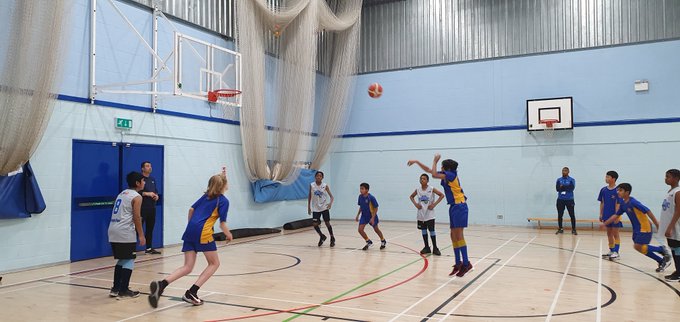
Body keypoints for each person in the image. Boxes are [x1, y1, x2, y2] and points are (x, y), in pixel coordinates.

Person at [148, 173, 233, 308]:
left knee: (187, 267)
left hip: (190, 231)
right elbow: (222, 224)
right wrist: (229, 235)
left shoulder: (206, 197)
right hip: (203, 233)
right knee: (214, 263)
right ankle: (192, 292)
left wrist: (191, 226)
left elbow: (191, 209)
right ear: (223, 186)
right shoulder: (223, 201)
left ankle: (162, 284)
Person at [408, 154, 472, 277]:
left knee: (459, 235)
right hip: (454, 206)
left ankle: (466, 263)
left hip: (460, 206)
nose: (439, 167)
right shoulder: (446, 174)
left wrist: (434, 160)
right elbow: (429, 171)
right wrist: (416, 161)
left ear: (445, 168)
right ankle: (458, 263)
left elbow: (433, 175)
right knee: (453, 236)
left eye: (441, 166)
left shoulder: (451, 175)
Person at [600, 183, 671, 272]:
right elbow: (616, 215)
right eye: (618, 190)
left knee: (638, 246)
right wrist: (605, 223)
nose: (618, 192)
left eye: (620, 190)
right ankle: (661, 260)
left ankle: (662, 249)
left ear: (627, 192)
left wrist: (656, 224)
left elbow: (648, 211)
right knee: (639, 247)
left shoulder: (633, 202)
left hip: (645, 227)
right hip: (637, 228)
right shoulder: (623, 203)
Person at [108, 171, 146, 298]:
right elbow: (136, 217)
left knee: (122, 259)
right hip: (125, 231)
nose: (144, 182)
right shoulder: (137, 197)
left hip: (113, 229)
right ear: (137, 183)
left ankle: (115, 288)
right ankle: (124, 290)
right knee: (129, 259)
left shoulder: (122, 193)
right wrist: (141, 235)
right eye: (143, 180)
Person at [409, 173, 445, 255]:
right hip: (421, 215)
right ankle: (426, 247)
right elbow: (411, 196)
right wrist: (416, 204)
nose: (422, 180)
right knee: (423, 231)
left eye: (424, 179)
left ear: (427, 180)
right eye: (421, 178)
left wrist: (434, 204)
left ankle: (435, 248)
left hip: (430, 215)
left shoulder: (431, 189)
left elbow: (442, 195)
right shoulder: (418, 190)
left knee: (432, 231)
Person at [661, 169, 680, 281]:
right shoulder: (671, 191)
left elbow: (678, 211)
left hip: (676, 227)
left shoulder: (677, 192)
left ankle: (679, 273)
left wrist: (670, 227)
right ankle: (677, 270)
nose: (666, 178)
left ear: (676, 178)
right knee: (673, 248)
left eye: (668, 176)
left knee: (677, 249)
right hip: (670, 226)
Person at [307, 171, 335, 247]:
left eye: (320, 176)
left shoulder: (325, 185)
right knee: (315, 224)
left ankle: (332, 237)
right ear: (315, 177)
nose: (318, 177)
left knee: (327, 223)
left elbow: (332, 197)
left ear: (322, 177)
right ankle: (322, 236)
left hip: (324, 207)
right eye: (317, 176)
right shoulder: (312, 185)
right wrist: (308, 207)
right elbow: (309, 196)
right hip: (315, 208)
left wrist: (330, 204)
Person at [598, 171, 622, 260]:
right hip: (606, 215)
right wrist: (601, 214)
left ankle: (616, 252)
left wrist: (617, 216)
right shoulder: (603, 190)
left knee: (615, 233)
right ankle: (611, 250)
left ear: (613, 179)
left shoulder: (618, 190)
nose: (606, 178)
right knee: (609, 233)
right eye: (606, 177)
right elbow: (602, 202)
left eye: (608, 177)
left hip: (615, 215)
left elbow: (618, 204)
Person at [355, 183, 386, 250]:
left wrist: (372, 218)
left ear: (367, 190)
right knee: (360, 230)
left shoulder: (371, 197)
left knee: (376, 230)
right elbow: (361, 206)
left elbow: (376, 208)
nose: (360, 190)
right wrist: (357, 215)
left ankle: (383, 240)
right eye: (360, 188)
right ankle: (368, 241)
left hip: (372, 216)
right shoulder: (360, 197)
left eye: (362, 189)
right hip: (364, 216)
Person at [140, 161, 161, 254]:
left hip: (151, 208)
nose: (150, 167)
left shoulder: (152, 179)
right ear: (142, 168)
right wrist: (147, 194)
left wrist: (156, 196)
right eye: (147, 166)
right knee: (137, 228)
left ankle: (148, 248)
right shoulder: (139, 179)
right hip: (142, 208)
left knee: (150, 228)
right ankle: (131, 249)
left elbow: (155, 191)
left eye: (150, 166)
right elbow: (136, 192)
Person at [556, 167, 577, 235]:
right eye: (563, 171)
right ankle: (560, 229)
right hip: (560, 200)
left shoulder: (572, 180)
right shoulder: (559, 180)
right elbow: (557, 189)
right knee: (560, 215)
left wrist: (562, 187)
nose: (563, 172)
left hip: (569, 200)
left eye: (565, 171)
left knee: (572, 215)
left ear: (568, 172)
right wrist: (564, 187)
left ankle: (573, 229)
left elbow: (571, 188)